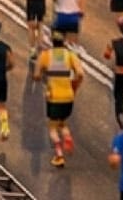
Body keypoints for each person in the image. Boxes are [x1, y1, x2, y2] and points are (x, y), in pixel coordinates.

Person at [33, 31, 83, 167]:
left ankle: (59, 155)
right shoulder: (70, 55)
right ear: (64, 42)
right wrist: (74, 86)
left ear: (52, 42)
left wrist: (43, 77)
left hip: (54, 97)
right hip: (68, 96)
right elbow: (80, 73)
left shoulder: (46, 56)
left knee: (52, 127)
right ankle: (67, 136)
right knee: (62, 122)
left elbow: (36, 75)